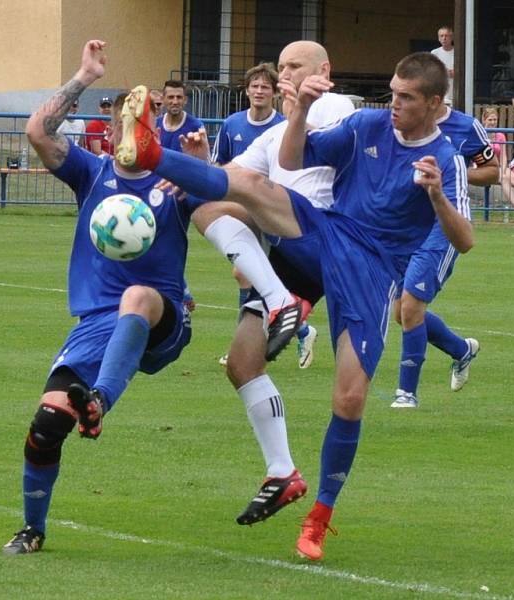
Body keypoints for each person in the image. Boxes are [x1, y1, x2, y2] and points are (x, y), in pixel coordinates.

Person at [116, 52, 472, 561]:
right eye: (392, 93)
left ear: (435, 104)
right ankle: (149, 155)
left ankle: (320, 516)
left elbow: (464, 240)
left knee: (349, 399)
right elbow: (292, 160)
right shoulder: (366, 124)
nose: (393, 104)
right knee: (234, 201)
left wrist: (436, 196)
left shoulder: (446, 159)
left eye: (406, 98)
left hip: (372, 273)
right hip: (325, 234)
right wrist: (300, 110)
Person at [2, 41, 202, 555]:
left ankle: (100, 401)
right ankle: (32, 530)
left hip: (162, 317)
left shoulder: (174, 177)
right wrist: (84, 76)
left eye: (138, 127)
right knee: (46, 426)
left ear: (152, 134)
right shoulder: (92, 173)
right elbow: (37, 133)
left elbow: (222, 211)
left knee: (137, 294)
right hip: (97, 323)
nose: (125, 134)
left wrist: (199, 171)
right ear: (109, 133)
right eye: (119, 127)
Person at [150, 41, 355, 527]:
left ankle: (283, 301)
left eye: (294, 68)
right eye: (280, 68)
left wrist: (303, 102)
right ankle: (282, 472)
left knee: (211, 205)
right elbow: (233, 175)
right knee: (242, 364)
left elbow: (258, 181)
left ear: (323, 71)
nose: (285, 76)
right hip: (289, 254)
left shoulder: (335, 106)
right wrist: (196, 168)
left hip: (326, 237)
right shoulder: (273, 135)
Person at [390, 102, 499, 409]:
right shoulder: (400, 123)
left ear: (435, 95)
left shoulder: (466, 127)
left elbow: (492, 172)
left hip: (444, 224)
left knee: (411, 307)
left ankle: (406, 394)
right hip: (405, 226)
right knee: (402, 313)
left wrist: (452, 169)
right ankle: (461, 350)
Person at [210, 62, 311, 369]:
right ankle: (295, 328)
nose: (259, 91)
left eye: (265, 87)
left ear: (274, 93)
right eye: (254, 86)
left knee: (249, 274)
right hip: (244, 206)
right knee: (244, 273)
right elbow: (222, 165)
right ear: (247, 90)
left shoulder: (283, 125)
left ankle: (281, 331)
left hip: (274, 208)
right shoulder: (232, 124)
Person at [157, 80, 207, 153]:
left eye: (179, 97)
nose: (175, 102)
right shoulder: (155, 125)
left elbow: (206, 160)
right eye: (171, 97)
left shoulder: (197, 126)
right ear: (163, 99)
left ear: (185, 100)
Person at [431, 26, 454, 106]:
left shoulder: (458, 52)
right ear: (438, 38)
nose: (444, 38)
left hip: (454, 91)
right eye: (442, 36)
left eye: (446, 36)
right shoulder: (434, 53)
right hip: (439, 91)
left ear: (452, 37)